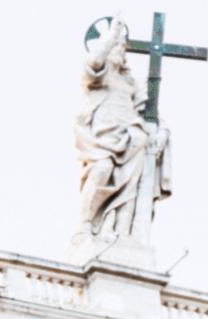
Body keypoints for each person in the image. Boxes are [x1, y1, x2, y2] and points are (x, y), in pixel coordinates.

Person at [71, 19, 169, 261]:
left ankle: (122, 232)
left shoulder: (128, 82)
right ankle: (85, 226)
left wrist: (163, 132)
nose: (120, 52)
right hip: (101, 138)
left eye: (122, 48)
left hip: (130, 139)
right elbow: (94, 61)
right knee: (102, 169)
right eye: (116, 47)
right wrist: (111, 34)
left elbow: (151, 111)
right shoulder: (94, 77)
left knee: (131, 185)